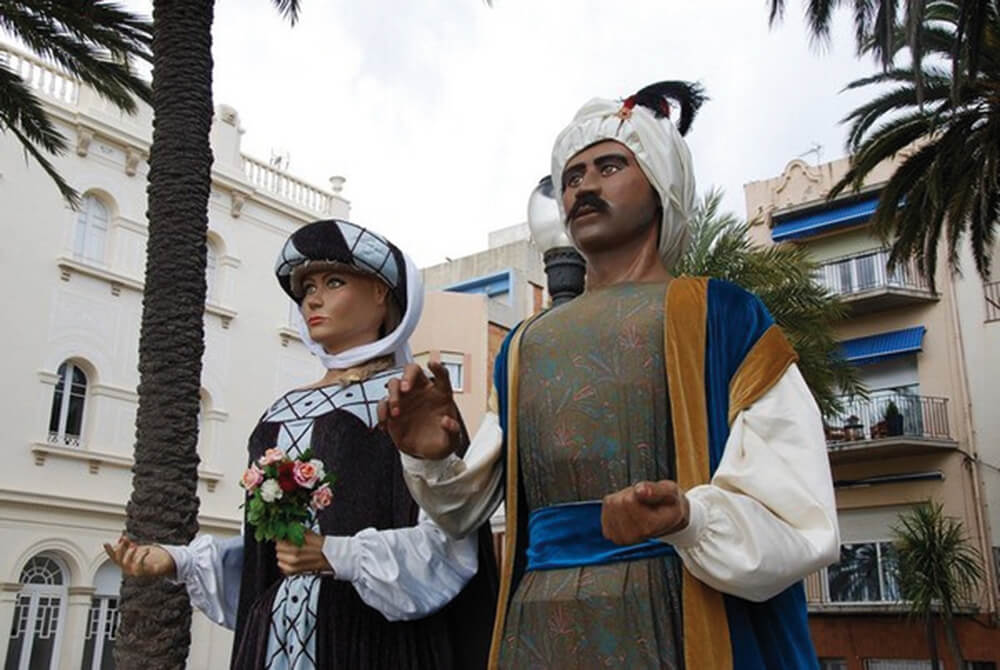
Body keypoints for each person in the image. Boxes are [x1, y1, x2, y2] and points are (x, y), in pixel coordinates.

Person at [380, 82, 840, 670]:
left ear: (660, 185)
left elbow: (797, 510)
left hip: (675, 618)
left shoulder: (724, 315)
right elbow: (465, 513)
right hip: (538, 630)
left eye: (610, 167)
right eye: (572, 177)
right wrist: (433, 459)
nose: (584, 187)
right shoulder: (522, 345)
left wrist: (689, 517)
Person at [105, 219, 497, 669]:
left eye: (334, 282)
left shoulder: (411, 400)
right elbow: (265, 555)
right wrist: (178, 561)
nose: (313, 298)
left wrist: (336, 554)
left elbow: (450, 545)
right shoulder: (279, 413)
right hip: (275, 641)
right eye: (307, 287)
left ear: (381, 293)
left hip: (370, 646)